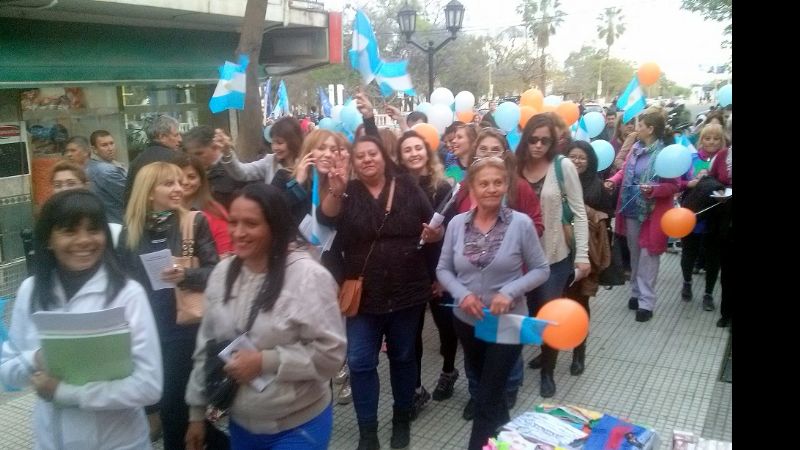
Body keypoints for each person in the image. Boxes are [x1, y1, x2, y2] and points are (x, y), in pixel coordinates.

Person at [184, 184, 346, 450]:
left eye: (251, 223)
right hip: (241, 424)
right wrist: (196, 414)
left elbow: (331, 355)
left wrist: (265, 361)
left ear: (275, 226)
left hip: (298, 425)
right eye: (233, 222)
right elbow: (206, 346)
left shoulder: (309, 278)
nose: (238, 232)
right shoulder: (222, 274)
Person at [1, 189, 162, 449]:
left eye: (93, 230)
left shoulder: (128, 295)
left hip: (119, 442)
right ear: (48, 239)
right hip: (53, 441)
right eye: (69, 231)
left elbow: (149, 386)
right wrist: (37, 358)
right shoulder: (31, 291)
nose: (84, 240)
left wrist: (66, 393)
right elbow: (7, 369)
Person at [320, 135, 443, 450]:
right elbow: (325, 219)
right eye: (359, 156)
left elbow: (433, 227)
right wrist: (335, 186)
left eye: (371, 153)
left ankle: (401, 419)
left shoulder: (405, 186)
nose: (366, 159)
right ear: (353, 162)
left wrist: (435, 243)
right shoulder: (348, 192)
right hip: (363, 294)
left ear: (383, 156)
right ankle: (368, 432)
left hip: (408, 291)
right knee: (361, 361)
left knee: (403, 357)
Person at [437, 157, 550, 450]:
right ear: (472, 188)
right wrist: (462, 294)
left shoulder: (521, 224)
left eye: (497, 182)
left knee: (486, 397)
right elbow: (443, 270)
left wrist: (510, 291)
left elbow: (541, 270)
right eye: (483, 183)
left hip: (508, 323)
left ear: (506, 185)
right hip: (468, 321)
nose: (491, 189)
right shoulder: (456, 225)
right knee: (493, 394)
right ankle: (509, 442)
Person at [118, 162, 222, 450]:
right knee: (173, 409)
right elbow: (120, 283)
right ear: (149, 193)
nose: (178, 189)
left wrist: (186, 275)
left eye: (179, 182)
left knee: (176, 407)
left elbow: (217, 271)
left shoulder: (193, 222)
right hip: (147, 331)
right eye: (168, 184)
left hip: (185, 329)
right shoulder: (131, 233)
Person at [516, 114, 590, 398]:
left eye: (545, 140)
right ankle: (537, 357)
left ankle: (548, 372)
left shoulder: (563, 166)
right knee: (529, 314)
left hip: (554, 256)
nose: (538, 145)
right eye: (533, 139)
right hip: (521, 258)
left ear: (553, 141)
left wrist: (582, 255)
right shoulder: (516, 166)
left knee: (550, 314)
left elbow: (579, 211)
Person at [395, 131, 456, 417]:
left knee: (446, 325)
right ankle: (416, 388)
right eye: (407, 149)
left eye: (418, 148)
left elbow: (451, 235)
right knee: (413, 331)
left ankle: (448, 371)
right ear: (400, 156)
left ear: (427, 152)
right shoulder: (395, 188)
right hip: (410, 270)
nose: (414, 153)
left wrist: (442, 276)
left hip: (438, 266)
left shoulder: (442, 187)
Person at [604, 108, 680, 323]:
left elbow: (674, 185)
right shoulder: (635, 148)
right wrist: (614, 181)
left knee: (649, 256)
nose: (635, 129)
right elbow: (624, 170)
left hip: (654, 213)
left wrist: (654, 190)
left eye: (639, 125)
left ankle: (647, 302)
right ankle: (636, 293)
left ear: (650, 129)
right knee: (635, 254)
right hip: (631, 209)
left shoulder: (665, 154)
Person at [563, 141, 616, 375]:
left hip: (585, 253)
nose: (577, 161)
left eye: (582, 157)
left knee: (580, 303)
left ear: (590, 160)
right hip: (559, 252)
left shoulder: (598, 187)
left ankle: (578, 352)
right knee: (554, 301)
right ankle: (548, 349)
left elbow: (607, 221)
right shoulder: (557, 182)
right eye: (572, 156)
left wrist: (586, 212)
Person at [678, 123, 727, 310]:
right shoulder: (691, 159)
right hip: (692, 212)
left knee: (713, 255)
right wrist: (691, 182)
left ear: (722, 140)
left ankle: (708, 293)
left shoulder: (725, 161)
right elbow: (679, 182)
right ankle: (687, 282)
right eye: (707, 138)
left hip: (716, 214)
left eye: (716, 138)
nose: (711, 142)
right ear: (701, 140)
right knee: (689, 251)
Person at [173, 154, 233, 258]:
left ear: (201, 180)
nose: (185, 182)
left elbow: (226, 254)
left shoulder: (214, 211)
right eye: (179, 177)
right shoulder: (165, 210)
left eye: (191, 177)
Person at [218, 117, 303, 186]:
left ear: (293, 141)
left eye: (280, 143)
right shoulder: (270, 161)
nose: (275, 147)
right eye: (273, 142)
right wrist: (227, 153)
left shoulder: (307, 164)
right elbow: (242, 173)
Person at [61, 135, 127, 225]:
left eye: (73, 150)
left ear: (86, 152)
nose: (68, 154)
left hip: (116, 227)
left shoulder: (104, 171)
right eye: (67, 151)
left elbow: (129, 198)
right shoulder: (75, 174)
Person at [183, 125, 249, 210]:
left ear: (215, 147)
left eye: (199, 153)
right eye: (190, 155)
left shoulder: (236, 173)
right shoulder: (192, 171)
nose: (194, 159)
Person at [124, 114, 184, 206]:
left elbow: (128, 196)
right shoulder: (176, 158)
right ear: (162, 137)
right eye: (176, 135)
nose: (180, 139)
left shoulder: (136, 161)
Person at [708, 145, 731, 328]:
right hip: (725, 218)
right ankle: (726, 313)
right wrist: (719, 192)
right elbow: (712, 179)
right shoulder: (723, 154)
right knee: (727, 268)